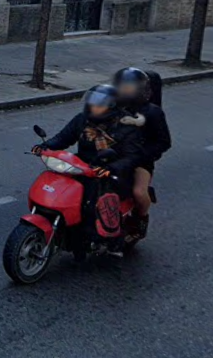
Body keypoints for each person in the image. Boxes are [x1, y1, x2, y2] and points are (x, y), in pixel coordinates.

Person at [34, 84, 148, 243]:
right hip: (82, 166)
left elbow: (132, 157)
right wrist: (45, 147)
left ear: (111, 107)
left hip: (111, 171)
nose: (93, 107)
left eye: (98, 104)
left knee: (90, 201)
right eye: (91, 103)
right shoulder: (82, 120)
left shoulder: (126, 126)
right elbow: (64, 137)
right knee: (58, 181)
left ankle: (95, 237)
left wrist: (111, 167)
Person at [111, 67, 172, 239]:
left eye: (128, 86)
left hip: (140, 160)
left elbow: (164, 142)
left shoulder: (152, 112)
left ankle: (141, 218)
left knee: (138, 192)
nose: (124, 90)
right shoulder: (114, 106)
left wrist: (140, 156)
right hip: (112, 154)